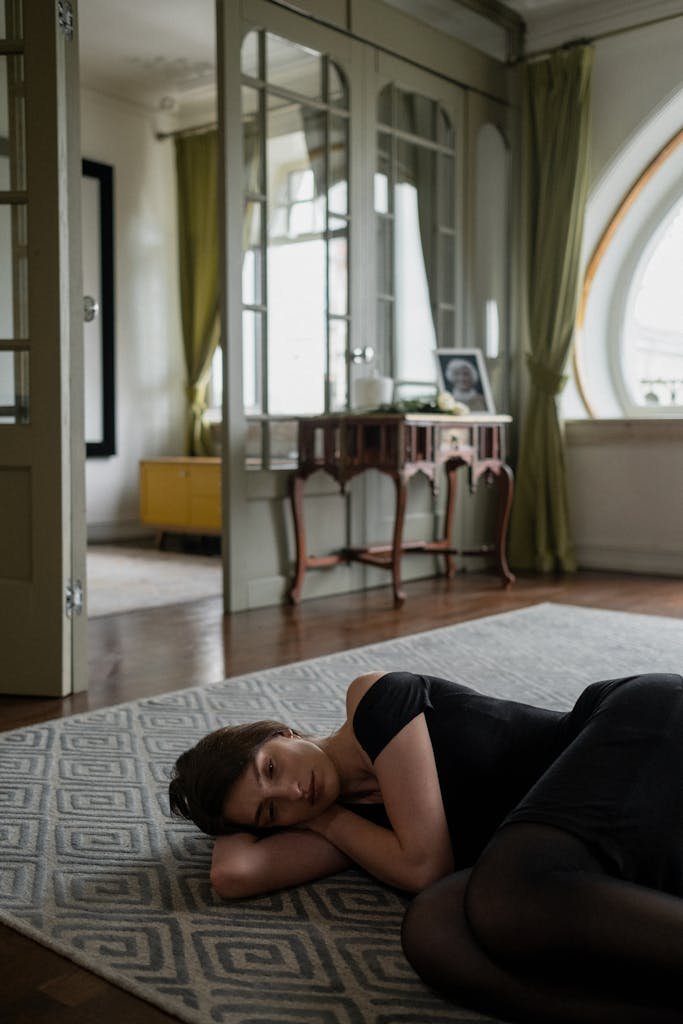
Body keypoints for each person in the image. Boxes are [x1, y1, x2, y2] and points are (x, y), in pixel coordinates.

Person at [169, 669, 683, 1024]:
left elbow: (424, 866)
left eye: (271, 768)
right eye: (269, 811)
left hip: (632, 730)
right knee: (433, 930)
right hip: (589, 843)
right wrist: (248, 815)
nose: (290, 792)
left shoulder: (373, 700)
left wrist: (319, 819)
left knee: (501, 897)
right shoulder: (342, 822)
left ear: (282, 731)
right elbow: (232, 875)